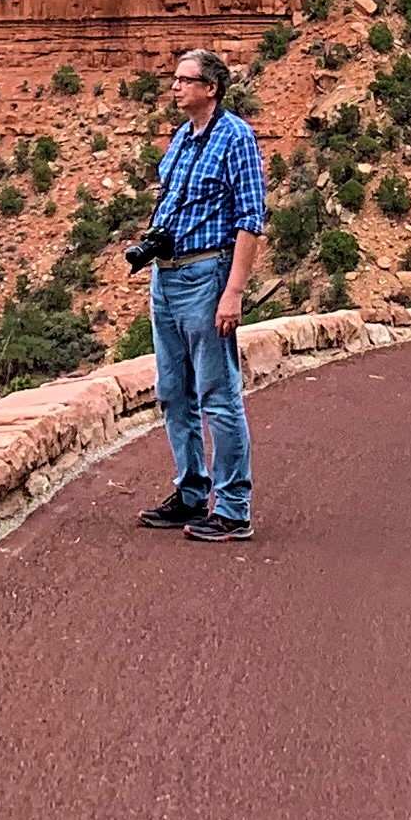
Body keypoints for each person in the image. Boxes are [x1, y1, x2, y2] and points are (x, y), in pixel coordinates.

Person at [136, 45, 265, 542]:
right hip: (166, 279)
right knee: (173, 393)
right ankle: (191, 491)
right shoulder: (182, 141)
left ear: (210, 88)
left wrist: (232, 292)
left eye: (185, 80)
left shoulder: (236, 138)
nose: (175, 86)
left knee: (217, 395)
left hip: (206, 276)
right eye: (175, 79)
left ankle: (233, 508)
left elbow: (251, 220)